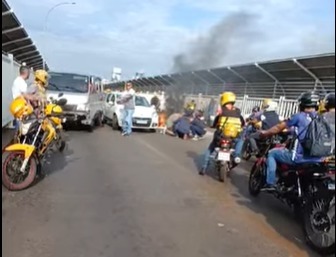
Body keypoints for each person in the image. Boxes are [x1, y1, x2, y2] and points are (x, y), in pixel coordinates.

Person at [259, 91, 324, 191]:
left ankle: (270, 183)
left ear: (302, 104)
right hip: (318, 159)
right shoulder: (322, 118)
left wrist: (265, 133)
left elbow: (278, 128)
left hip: (298, 158)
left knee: (272, 153)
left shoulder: (299, 116)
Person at [199, 92, 245, 175]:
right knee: (241, 140)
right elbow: (243, 124)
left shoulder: (221, 112)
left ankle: (204, 167)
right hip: (233, 138)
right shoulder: (238, 112)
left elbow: (214, 125)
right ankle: (236, 156)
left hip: (221, 137)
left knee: (210, 148)